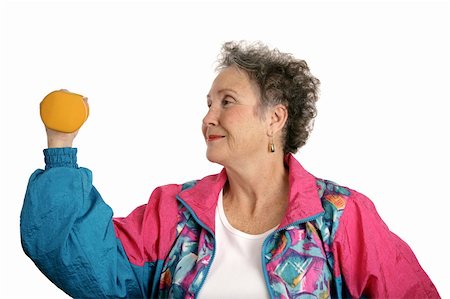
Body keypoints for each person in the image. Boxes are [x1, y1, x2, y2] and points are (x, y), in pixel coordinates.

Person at [20, 41, 440, 299]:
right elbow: (89, 266)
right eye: (208, 104)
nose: (208, 118)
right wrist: (61, 142)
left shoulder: (342, 216)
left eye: (226, 101)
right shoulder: (175, 211)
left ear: (275, 118)